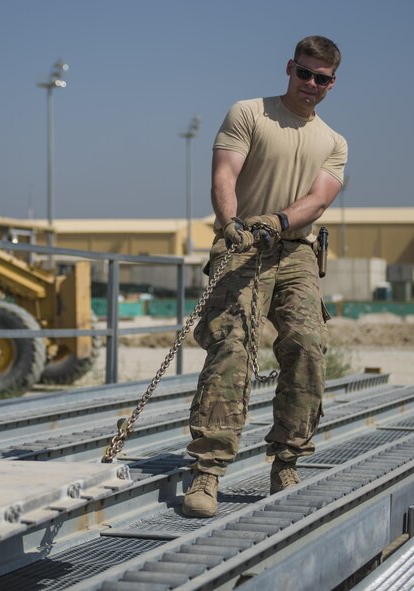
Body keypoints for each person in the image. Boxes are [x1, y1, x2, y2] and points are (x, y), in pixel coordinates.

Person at [182, 36, 347, 518]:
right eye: (305, 73)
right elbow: (224, 176)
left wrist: (277, 223)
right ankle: (208, 471)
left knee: (306, 344)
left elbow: (318, 200)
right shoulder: (249, 113)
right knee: (233, 342)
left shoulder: (333, 142)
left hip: (294, 248)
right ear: (290, 68)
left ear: (332, 83)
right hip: (243, 239)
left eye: (322, 79)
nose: (311, 85)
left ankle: (287, 460)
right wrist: (231, 225)